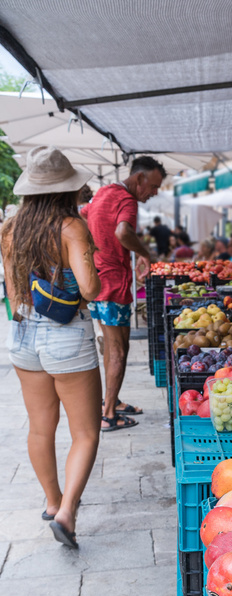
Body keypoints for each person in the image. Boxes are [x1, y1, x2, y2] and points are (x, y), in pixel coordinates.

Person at [1, 145, 102, 549]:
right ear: (66, 190)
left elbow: (11, 292)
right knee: (86, 433)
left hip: (24, 333)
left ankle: (51, 500)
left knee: (41, 428)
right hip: (67, 335)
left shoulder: (8, 228)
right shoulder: (70, 227)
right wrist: (88, 257)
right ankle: (67, 513)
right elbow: (91, 289)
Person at [81, 155, 167, 432]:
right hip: (113, 285)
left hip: (97, 282)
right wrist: (145, 253)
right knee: (118, 350)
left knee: (113, 345)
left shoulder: (105, 192)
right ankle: (108, 415)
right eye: (153, 187)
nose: (153, 193)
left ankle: (112, 401)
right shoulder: (126, 200)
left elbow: (84, 216)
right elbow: (122, 231)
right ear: (139, 178)